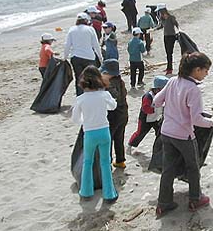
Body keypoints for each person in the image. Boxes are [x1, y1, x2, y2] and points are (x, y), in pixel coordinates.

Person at [153, 52, 213, 217]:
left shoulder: (173, 81)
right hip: (184, 135)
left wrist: (172, 108)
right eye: (205, 70)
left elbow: (156, 101)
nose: (206, 73)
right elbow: (196, 119)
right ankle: (195, 199)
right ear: (197, 70)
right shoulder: (193, 90)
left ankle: (164, 203)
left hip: (167, 132)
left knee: (168, 168)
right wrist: (212, 122)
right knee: (193, 166)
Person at [71, 65, 118, 203]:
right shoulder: (104, 94)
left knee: (87, 162)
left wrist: (85, 121)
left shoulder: (81, 99)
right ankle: (109, 194)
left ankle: (86, 192)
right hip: (104, 131)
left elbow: (75, 119)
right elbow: (113, 106)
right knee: (105, 162)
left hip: (89, 133)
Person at [127, 75, 169, 155]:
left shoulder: (162, 95)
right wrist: (156, 108)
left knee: (160, 132)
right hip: (145, 119)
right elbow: (145, 108)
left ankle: (160, 149)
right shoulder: (148, 96)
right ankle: (130, 145)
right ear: (157, 89)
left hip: (156, 118)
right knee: (140, 133)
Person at [64, 12, 103, 96]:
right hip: (89, 57)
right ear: (86, 20)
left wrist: (65, 57)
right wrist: (100, 57)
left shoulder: (72, 29)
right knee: (91, 77)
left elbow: (67, 45)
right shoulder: (90, 29)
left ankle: (80, 96)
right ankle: (91, 95)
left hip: (76, 57)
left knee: (79, 77)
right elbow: (96, 44)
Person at [100, 59, 129, 169]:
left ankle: (108, 161)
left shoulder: (110, 85)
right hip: (123, 113)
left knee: (109, 138)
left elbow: (114, 97)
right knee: (119, 138)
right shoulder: (120, 81)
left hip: (114, 115)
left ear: (109, 74)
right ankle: (120, 160)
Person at [152, 7, 179, 75]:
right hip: (166, 36)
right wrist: (153, 29)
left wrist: (179, 31)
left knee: (170, 53)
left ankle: (170, 68)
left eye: (160, 12)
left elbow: (176, 24)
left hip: (171, 36)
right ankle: (169, 67)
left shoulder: (171, 17)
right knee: (167, 53)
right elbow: (161, 26)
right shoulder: (162, 19)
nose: (159, 14)